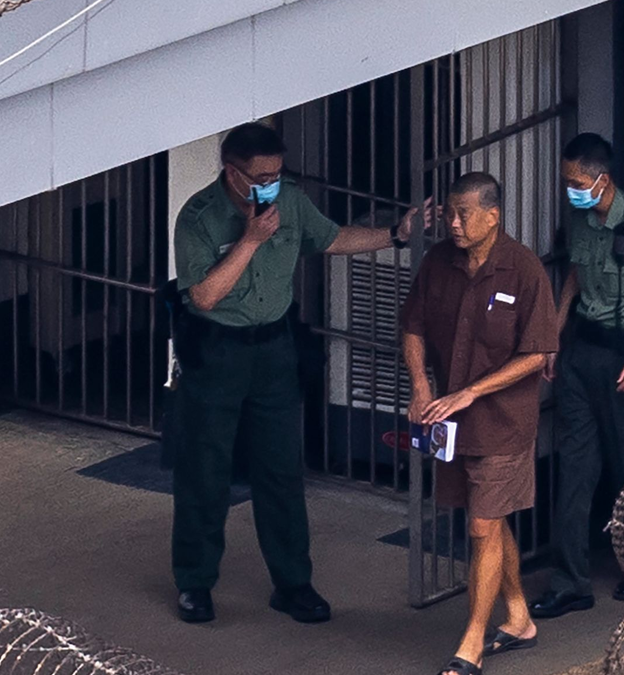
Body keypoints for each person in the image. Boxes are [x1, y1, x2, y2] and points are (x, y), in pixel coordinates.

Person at [171, 122, 430, 624]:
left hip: (273, 348)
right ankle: (195, 582)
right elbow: (203, 296)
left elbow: (330, 238)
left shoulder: (288, 201)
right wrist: (248, 241)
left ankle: (293, 583)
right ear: (232, 172)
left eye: (277, 173)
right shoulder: (199, 217)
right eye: (261, 175)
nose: (271, 182)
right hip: (217, 349)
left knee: (282, 470)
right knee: (205, 472)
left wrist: (395, 235)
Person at [401, 173, 559, 675]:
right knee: (488, 520)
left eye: (463, 213)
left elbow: (538, 353)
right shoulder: (438, 263)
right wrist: (422, 387)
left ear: (493, 216)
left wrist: (471, 390)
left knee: (482, 525)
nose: (453, 222)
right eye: (449, 212)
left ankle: (470, 643)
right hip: (452, 421)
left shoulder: (524, 270)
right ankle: (519, 619)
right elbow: (412, 325)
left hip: (505, 421)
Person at [528, 133, 624, 620]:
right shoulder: (580, 218)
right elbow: (574, 275)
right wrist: (553, 335)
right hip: (583, 352)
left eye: (577, 182)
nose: (571, 190)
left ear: (602, 179)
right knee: (575, 470)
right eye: (567, 182)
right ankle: (569, 581)